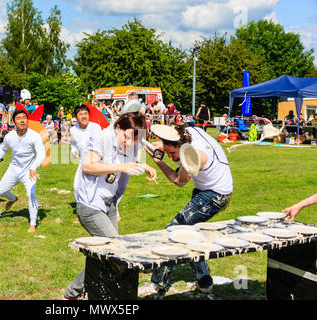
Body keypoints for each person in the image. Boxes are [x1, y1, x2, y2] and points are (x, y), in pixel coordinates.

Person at [63, 112, 158, 300]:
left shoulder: (129, 144)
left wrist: (145, 166)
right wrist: (120, 168)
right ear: (117, 128)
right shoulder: (102, 138)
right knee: (116, 252)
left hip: (110, 203)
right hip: (90, 204)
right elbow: (87, 167)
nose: (129, 143)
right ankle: (77, 294)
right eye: (126, 137)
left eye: (134, 139)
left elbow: (126, 161)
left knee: (106, 255)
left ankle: (73, 294)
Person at [140, 123, 233, 297]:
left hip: (214, 195)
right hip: (210, 189)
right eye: (167, 152)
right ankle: (204, 283)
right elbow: (177, 131)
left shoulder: (192, 155)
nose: (170, 156)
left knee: (173, 231)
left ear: (182, 147)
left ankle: (157, 285)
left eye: (172, 153)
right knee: (191, 235)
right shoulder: (186, 132)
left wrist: (158, 160)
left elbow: (179, 181)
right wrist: (164, 145)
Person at [0, 110, 46, 233]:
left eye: (24, 118)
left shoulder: (34, 136)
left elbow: (41, 153)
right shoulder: (9, 136)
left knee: (31, 194)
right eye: (19, 118)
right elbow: (3, 149)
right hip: (14, 169)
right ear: (13, 122)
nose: (22, 120)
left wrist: (33, 167)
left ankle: (33, 223)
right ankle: (12, 199)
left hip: (29, 171)